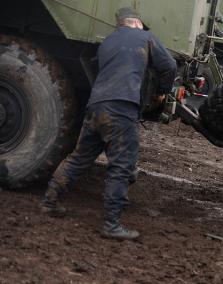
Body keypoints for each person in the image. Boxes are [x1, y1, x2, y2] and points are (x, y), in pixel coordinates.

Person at [40, 7, 177, 240]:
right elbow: (170, 66)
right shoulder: (145, 37)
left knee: (78, 158)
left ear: (120, 24)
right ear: (137, 23)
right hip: (121, 108)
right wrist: (161, 93)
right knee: (122, 165)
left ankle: (49, 201)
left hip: (96, 107)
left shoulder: (107, 43)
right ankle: (111, 224)